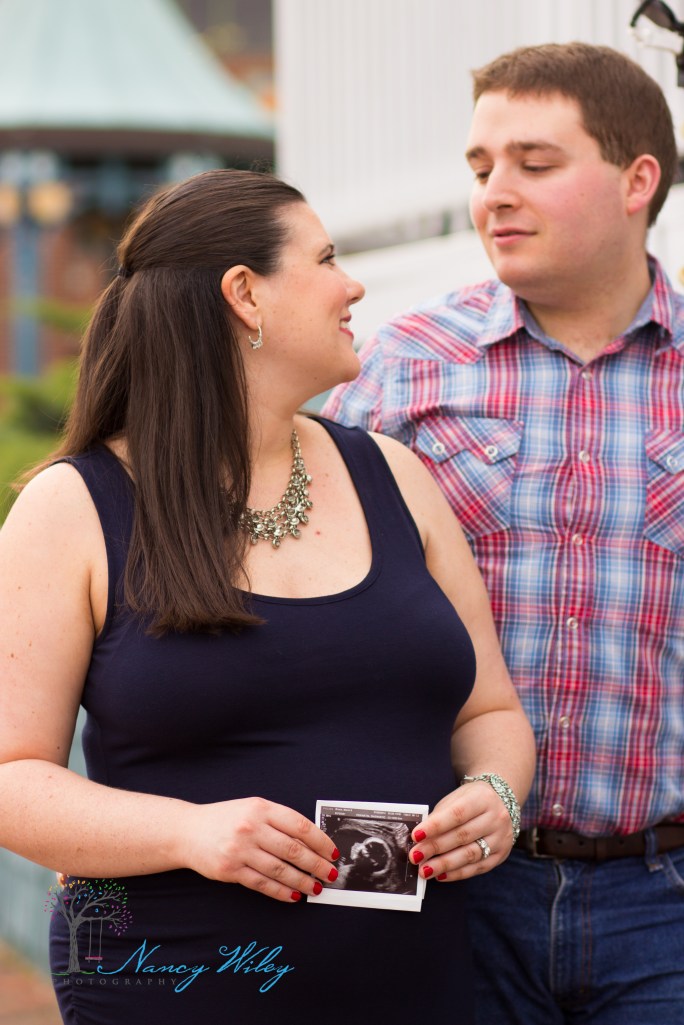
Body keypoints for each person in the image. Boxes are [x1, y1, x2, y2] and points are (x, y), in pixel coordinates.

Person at [0, 169, 534, 1025]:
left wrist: (498, 795)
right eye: (326, 259)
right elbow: (11, 775)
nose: (353, 282)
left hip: (412, 986)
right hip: (175, 984)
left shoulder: (395, 475)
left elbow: (491, 711)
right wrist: (190, 831)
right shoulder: (72, 507)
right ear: (244, 295)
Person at [324, 41, 684, 1025]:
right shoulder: (400, 365)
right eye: (481, 168)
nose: (495, 194)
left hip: (669, 903)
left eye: (535, 162)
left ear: (636, 180)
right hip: (447, 885)